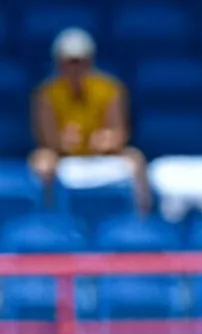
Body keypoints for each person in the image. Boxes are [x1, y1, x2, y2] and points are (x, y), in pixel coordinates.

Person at [29, 27, 151, 213]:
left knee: (136, 160)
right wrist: (62, 143)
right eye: (70, 62)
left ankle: (141, 217)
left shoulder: (110, 89)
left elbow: (119, 131)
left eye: (80, 62)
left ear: (90, 61)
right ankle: (47, 216)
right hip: (62, 155)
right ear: (59, 63)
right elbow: (46, 137)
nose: (75, 68)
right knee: (41, 162)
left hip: (103, 153)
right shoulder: (47, 93)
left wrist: (108, 140)